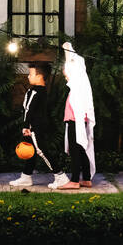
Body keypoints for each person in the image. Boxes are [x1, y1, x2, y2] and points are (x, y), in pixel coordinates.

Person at [9, 62, 69, 188]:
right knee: (31, 151)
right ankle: (26, 177)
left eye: (31, 74)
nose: (28, 76)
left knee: (41, 150)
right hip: (36, 126)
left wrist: (26, 126)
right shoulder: (42, 91)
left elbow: (28, 110)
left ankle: (60, 176)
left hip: (34, 128)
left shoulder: (35, 91)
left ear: (40, 76)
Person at [55, 42, 96, 190]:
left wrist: (67, 49)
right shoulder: (79, 87)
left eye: (66, 74)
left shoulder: (78, 87)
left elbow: (71, 64)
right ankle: (86, 178)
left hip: (75, 122)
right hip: (76, 121)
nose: (65, 75)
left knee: (75, 151)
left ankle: (74, 180)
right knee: (80, 149)